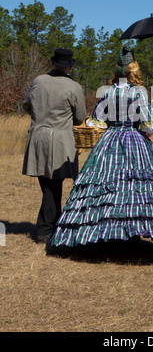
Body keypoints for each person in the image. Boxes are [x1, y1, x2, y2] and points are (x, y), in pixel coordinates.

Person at [48, 47, 153, 249]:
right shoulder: (138, 92)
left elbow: (95, 122)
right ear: (134, 73)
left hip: (109, 141)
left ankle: (105, 231)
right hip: (134, 140)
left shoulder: (107, 91)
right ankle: (133, 229)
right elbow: (149, 125)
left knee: (108, 186)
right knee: (137, 187)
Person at [22, 48, 87, 243]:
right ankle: (45, 230)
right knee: (52, 187)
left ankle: (51, 224)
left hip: (37, 137)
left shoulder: (38, 81)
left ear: (52, 64)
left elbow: (27, 105)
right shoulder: (74, 87)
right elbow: (79, 117)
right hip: (58, 140)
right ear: (70, 67)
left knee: (49, 185)